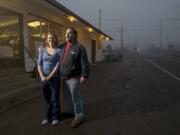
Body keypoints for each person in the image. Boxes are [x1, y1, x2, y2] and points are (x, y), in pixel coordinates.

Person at [60, 27, 90, 128]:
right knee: (67, 97)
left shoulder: (79, 47)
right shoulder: (63, 47)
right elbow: (52, 48)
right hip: (64, 77)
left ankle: (79, 116)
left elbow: (85, 63)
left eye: (70, 33)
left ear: (75, 35)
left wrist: (84, 75)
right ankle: (71, 111)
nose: (67, 35)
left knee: (75, 98)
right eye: (66, 33)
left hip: (74, 78)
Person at [37, 31, 61, 126]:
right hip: (43, 78)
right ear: (47, 40)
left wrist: (49, 77)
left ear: (55, 39)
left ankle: (55, 117)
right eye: (49, 38)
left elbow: (58, 65)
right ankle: (47, 117)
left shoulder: (59, 50)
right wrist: (42, 76)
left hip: (55, 78)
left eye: (53, 38)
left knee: (54, 97)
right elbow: (39, 64)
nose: (51, 39)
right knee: (46, 98)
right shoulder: (42, 50)